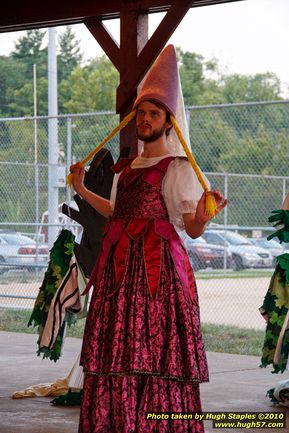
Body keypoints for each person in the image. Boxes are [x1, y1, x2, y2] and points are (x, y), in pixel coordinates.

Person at [70, 45, 227, 433]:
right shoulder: (126, 168)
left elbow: (189, 228)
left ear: (168, 123)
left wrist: (205, 216)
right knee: (116, 349)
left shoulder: (177, 169)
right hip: (118, 275)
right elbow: (116, 212)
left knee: (156, 352)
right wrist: (81, 187)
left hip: (158, 276)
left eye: (153, 113)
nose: (145, 119)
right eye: (141, 113)